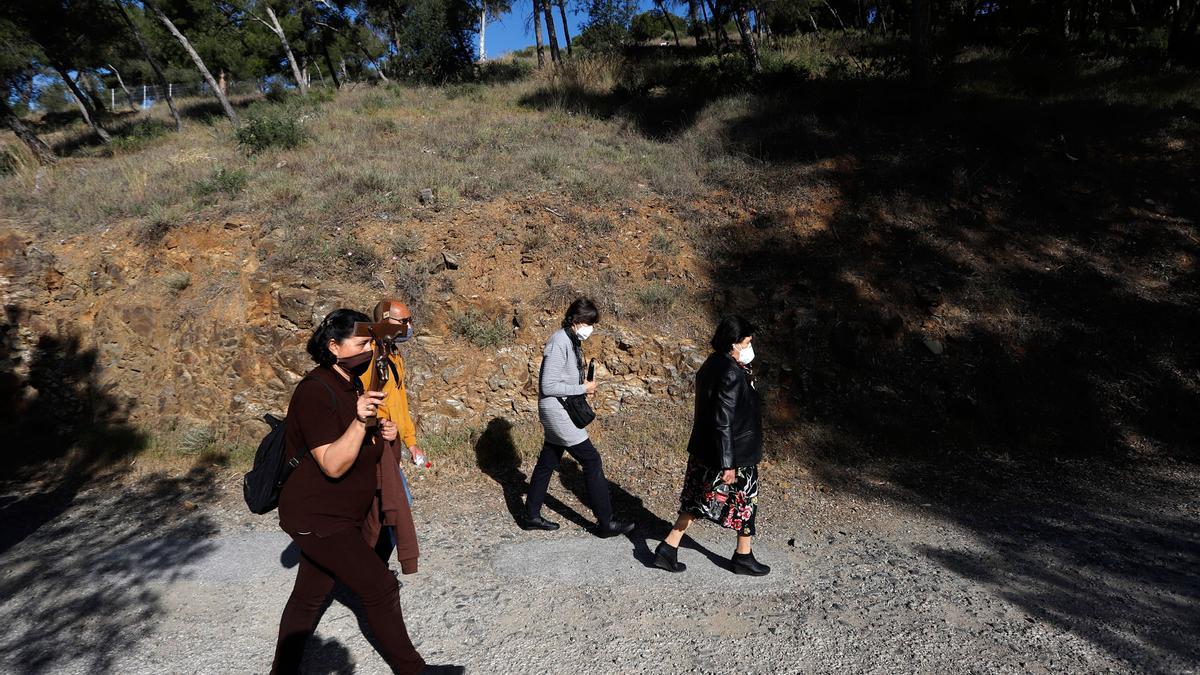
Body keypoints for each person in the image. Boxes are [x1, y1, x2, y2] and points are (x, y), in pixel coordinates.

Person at [271, 309, 454, 675]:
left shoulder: (351, 382)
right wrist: (359, 421)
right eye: (362, 343)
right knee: (380, 587)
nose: (370, 350)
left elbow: (363, 447)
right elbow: (334, 463)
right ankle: (414, 670)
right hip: (316, 516)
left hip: (342, 514)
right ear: (333, 346)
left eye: (371, 343)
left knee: (309, 596)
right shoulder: (314, 391)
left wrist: (386, 434)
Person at [653, 315, 770, 576]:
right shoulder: (730, 372)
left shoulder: (713, 364)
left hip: (708, 449)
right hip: (733, 453)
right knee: (745, 502)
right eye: (747, 342)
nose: (750, 348)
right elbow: (723, 420)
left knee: (698, 499)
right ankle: (742, 557)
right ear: (734, 343)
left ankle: (668, 548)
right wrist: (728, 463)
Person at [522, 297, 634, 538]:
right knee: (592, 460)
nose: (590, 328)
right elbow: (548, 385)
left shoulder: (570, 341)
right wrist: (582, 389)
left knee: (548, 461)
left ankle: (531, 515)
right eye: (588, 323)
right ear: (576, 320)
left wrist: (580, 385)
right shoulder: (559, 342)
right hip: (557, 411)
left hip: (559, 410)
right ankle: (606, 523)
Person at [362, 299, 423, 560]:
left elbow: (400, 402)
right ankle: (372, 564)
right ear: (385, 321)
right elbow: (365, 399)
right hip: (375, 442)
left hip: (393, 443)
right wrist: (379, 427)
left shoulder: (393, 355)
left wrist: (410, 442)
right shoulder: (369, 356)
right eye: (404, 321)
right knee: (396, 504)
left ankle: (373, 564)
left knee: (387, 507)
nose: (409, 326)